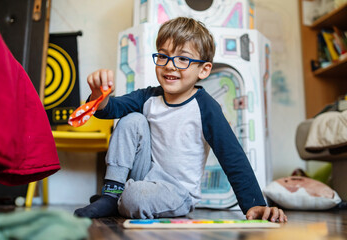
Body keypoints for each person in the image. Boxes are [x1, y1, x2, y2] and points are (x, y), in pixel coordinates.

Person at [74, 17, 287, 222]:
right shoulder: (149, 97)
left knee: (135, 197)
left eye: (183, 59)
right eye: (163, 56)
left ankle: (122, 198)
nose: (170, 65)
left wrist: (254, 203)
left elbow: (232, 156)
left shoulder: (206, 108)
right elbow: (109, 109)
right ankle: (112, 195)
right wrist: (97, 95)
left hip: (178, 192)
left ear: (203, 70)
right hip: (144, 177)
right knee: (131, 120)